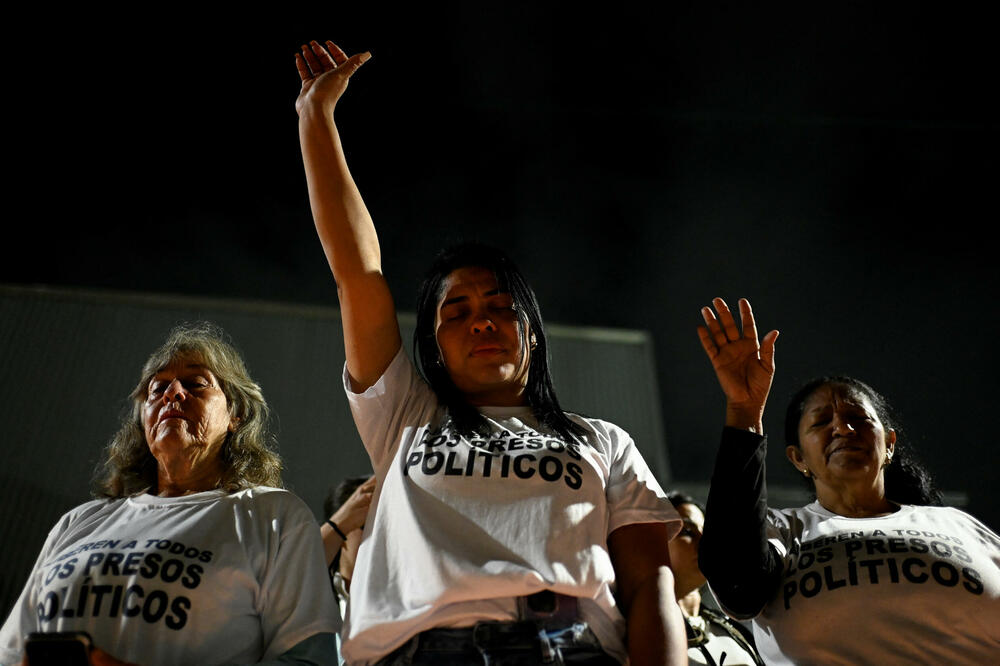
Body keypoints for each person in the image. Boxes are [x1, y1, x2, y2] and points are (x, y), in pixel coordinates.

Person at [295, 38, 686, 665]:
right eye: (458, 312)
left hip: (574, 650)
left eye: (502, 307)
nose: (483, 322)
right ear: (434, 346)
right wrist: (314, 118)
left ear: (531, 334)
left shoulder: (603, 440)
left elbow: (651, 586)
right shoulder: (405, 418)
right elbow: (358, 273)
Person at [0, 324, 341, 666]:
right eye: (157, 388)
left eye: (195, 384)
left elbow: (308, 662)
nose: (172, 394)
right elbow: (10, 653)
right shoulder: (78, 522)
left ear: (236, 414)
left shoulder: (274, 517)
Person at [695, 297, 1000, 664]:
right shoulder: (781, 531)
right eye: (821, 422)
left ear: (889, 445)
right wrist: (744, 411)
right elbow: (737, 588)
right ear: (798, 458)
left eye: (859, 419)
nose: (842, 428)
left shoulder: (959, 527)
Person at [665, 492, 762, 666]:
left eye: (707, 533)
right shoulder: (640, 632)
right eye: (687, 532)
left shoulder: (731, 628)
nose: (705, 542)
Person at [322, 475, 376, 666]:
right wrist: (337, 524)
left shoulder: (404, 591)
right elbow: (285, 571)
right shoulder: (313, 588)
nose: (378, 537)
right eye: (368, 526)